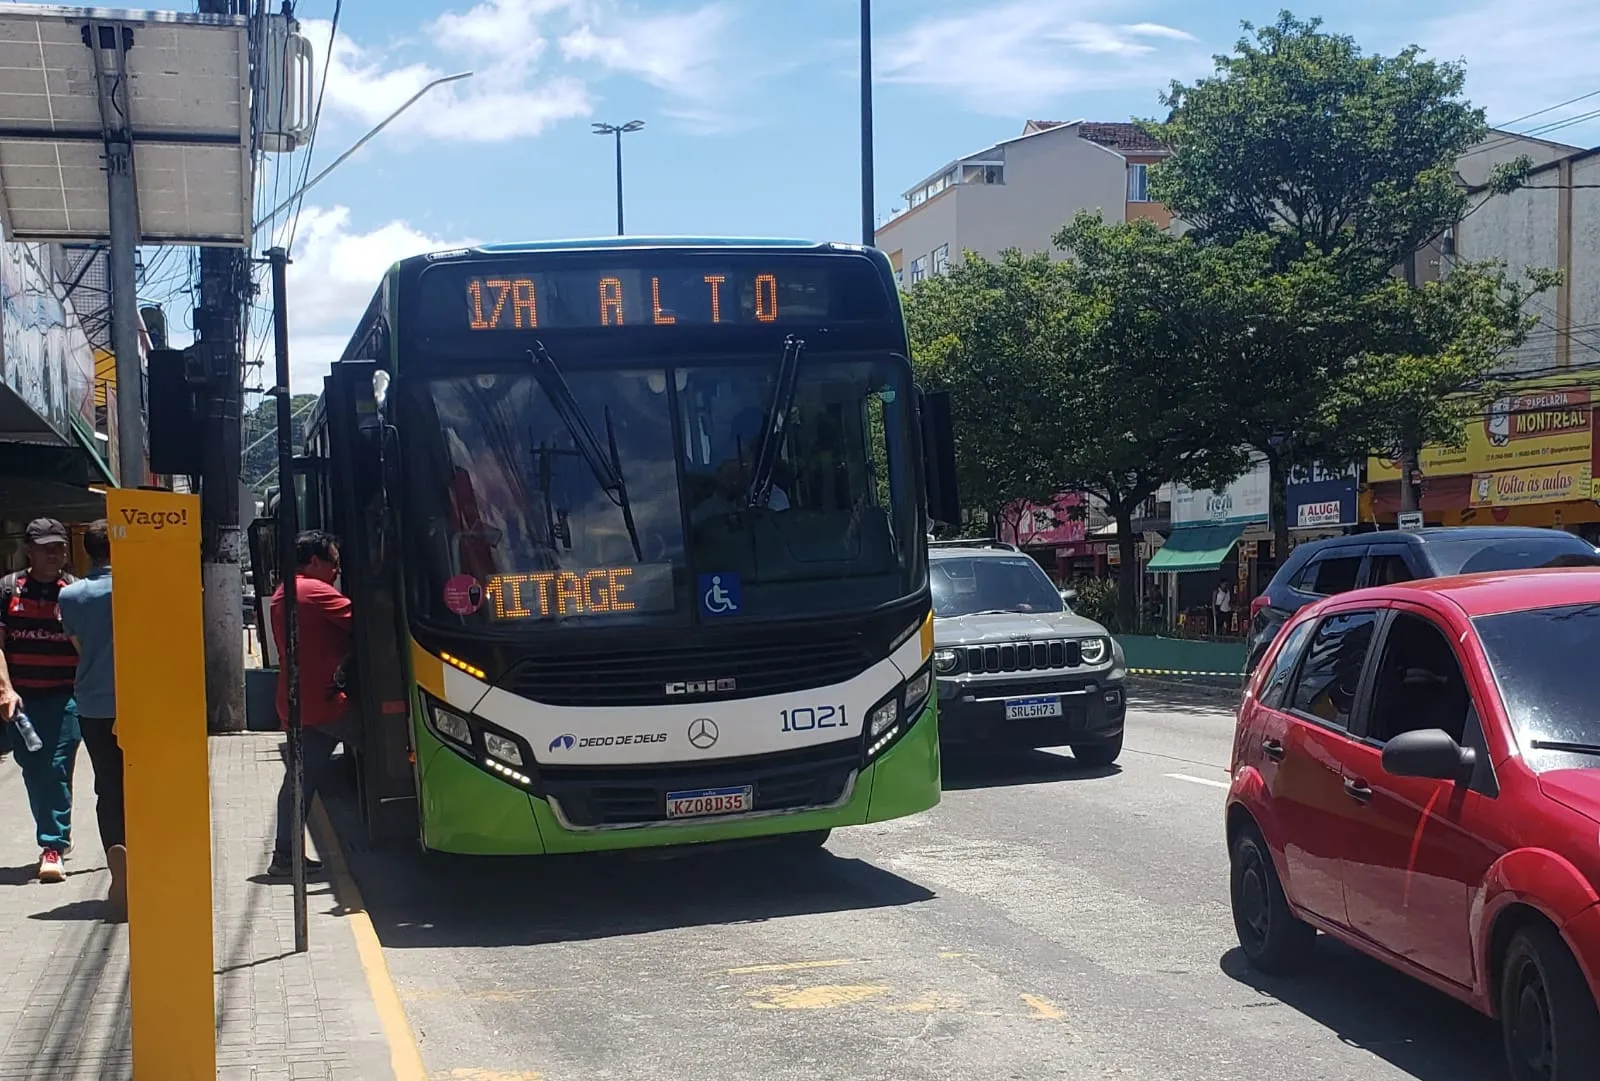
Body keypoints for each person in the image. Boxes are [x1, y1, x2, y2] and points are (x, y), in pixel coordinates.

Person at [267, 530, 353, 878]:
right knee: (390, 738)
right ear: (315, 561)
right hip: (326, 702)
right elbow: (371, 620)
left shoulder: (284, 589)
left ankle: (285, 853)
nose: (336, 572)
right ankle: (285, 855)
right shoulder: (315, 591)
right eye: (334, 563)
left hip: (298, 699)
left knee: (300, 778)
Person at [0, 518, 80, 883]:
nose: (55, 553)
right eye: (47, 547)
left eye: (60, 546)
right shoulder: (8, 590)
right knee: (33, 767)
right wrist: (5, 688)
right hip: (22, 699)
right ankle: (54, 828)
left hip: (66, 695)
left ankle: (52, 843)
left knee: (56, 765)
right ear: (28, 551)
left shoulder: (74, 592)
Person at [59, 520, 123, 920]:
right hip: (139, 706)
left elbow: (78, 645)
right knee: (144, 786)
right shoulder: (138, 587)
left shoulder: (71, 595)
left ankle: (119, 857)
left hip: (93, 703)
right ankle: (148, 862)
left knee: (108, 787)